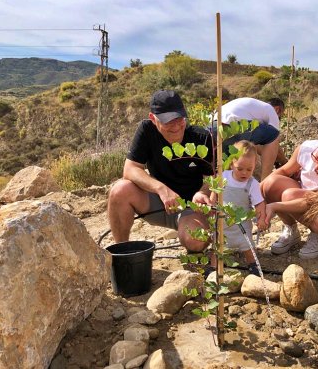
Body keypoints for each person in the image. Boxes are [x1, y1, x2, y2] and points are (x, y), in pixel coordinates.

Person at [107, 90, 214, 252]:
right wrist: (161, 189)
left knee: (196, 240)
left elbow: (216, 177)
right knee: (119, 190)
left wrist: (204, 192)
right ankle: (122, 253)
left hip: (192, 209)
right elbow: (130, 169)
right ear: (153, 119)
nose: (176, 126)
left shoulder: (201, 138)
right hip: (159, 204)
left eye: (179, 119)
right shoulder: (146, 130)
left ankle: (196, 251)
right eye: (168, 122)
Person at [221, 140, 268, 275]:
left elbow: (259, 203)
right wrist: (212, 206)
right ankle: (214, 266)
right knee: (218, 245)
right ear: (231, 164)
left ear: (255, 166)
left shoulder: (252, 184)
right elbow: (215, 192)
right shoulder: (223, 177)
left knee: (247, 245)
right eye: (240, 169)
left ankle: (252, 264)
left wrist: (261, 218)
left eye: (249, 169)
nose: (244, 173)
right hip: (222, 222)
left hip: (242, 223)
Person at [215, 97, 287, 180]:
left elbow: (259, 146)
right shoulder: (271, 110)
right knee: (274, 134)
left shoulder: (253, 109)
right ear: (278, 110)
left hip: (214, 125)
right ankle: (265, 182)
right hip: (234, 125)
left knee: (223, 168)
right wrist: (285, 164)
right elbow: (274, 143)